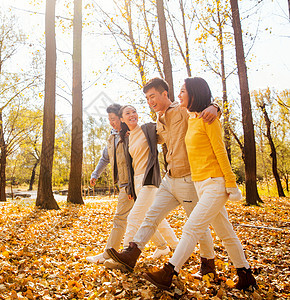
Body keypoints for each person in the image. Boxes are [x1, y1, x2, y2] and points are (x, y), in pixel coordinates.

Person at [142, 77, 257, 291]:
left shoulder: (208, 119)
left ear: (194, 93)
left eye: (183, 91)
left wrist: (231, 183)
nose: (179, 94)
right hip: (200, 184)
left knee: (191, 228)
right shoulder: (192, 117)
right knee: (226, 233)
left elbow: (221, 152)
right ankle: (246, 275)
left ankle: (169, 272)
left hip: (215, 183)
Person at [106, 78, 219, 279]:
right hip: (169, 178)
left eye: (153, 96)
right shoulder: (158, 121)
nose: (150, 101)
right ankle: (132, 253)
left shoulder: (183, 110)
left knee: (197, 225)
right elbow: (149, 139)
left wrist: (215, 106)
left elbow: (204, 111)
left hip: (188, 177)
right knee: (151, 215)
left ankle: (208, 264)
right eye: (147, 98)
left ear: (165, 94)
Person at [104, 105, 178, 271]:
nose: (132, 115)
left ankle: (124, 257)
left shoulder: (148, 129)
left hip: (149, 180)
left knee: (134, 218)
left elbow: (164, 133)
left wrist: (162, 115)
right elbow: (130, 166)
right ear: (122, 119)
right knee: (158, 220)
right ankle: (177, 247)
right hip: (137, 182)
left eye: (134, 112)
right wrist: (130, 187)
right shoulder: (128, 137)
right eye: (127, 113)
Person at [85, 104, 136, 264]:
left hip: (130, 184)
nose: (111, 122)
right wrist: (95, 174)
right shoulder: (112, 136)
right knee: (145, 217)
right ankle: (164, 245)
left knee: (120, 218)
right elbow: (105, 158)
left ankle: (109, 253)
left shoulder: (131, 134)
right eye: (109, 120)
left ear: (121, 118)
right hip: (122, 183)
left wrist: (131, 185)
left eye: (113, 119)